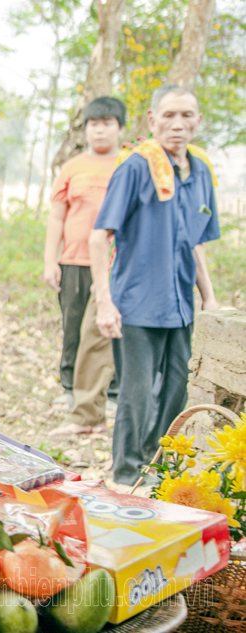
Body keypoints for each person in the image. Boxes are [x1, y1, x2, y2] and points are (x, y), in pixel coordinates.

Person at [90, 84, 220, 486]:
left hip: (180, 304)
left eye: (186, 116)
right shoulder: (135, 167)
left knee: (177, 392)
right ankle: (126, 472)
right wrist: (104, 303)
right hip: (138, 304)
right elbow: (99, 236)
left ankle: (156, 464)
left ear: (198, 122)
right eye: (168, 116)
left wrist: (209, 297)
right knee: (136, 393)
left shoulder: (200, 173)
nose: (177, 124)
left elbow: (194, 241)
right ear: (152, 120)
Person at [43, 96, 125, 429]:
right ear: (85, 129)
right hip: (75, 260)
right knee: (73, 326)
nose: (100, 131)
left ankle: (112, 393)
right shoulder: (73, 167)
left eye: (107, 123)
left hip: (117, 262)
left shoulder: (130, 165)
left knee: (111, 328)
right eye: (94, 124)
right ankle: (69, 389)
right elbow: (56, 216)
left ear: (120, 128)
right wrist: (51, 260)